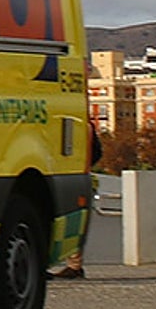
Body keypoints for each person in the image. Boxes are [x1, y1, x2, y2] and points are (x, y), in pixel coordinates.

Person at [49, 119, 104, 280]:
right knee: (72, 222)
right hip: (76, 175)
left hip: (67, 176)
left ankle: (74, 266)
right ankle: (74, 265)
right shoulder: (83, 125)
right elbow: (96, 153)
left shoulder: (75, 124)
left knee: (67, 222)